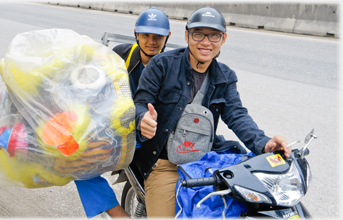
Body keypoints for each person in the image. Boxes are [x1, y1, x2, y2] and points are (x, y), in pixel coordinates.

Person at [132, 6, 292, 218]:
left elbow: (237, 115)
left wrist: (264, 143)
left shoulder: (225, 76)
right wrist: (142, 118)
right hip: (164, 165)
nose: (206, 42)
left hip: (204, 163)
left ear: (223, 38)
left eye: (214, 35)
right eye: (198, 34)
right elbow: (141, 102)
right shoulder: (162, 65)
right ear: (187, 35)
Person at [74, 7, 171, 218]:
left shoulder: (173, 66)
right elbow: (94, 83)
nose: (151, 41)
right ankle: (119, 215)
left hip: (153, 136)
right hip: (117, 130)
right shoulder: (121, 55)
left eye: (158, 36)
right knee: (77, 159)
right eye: (145, 35)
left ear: (168, 37)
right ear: (136, 33)